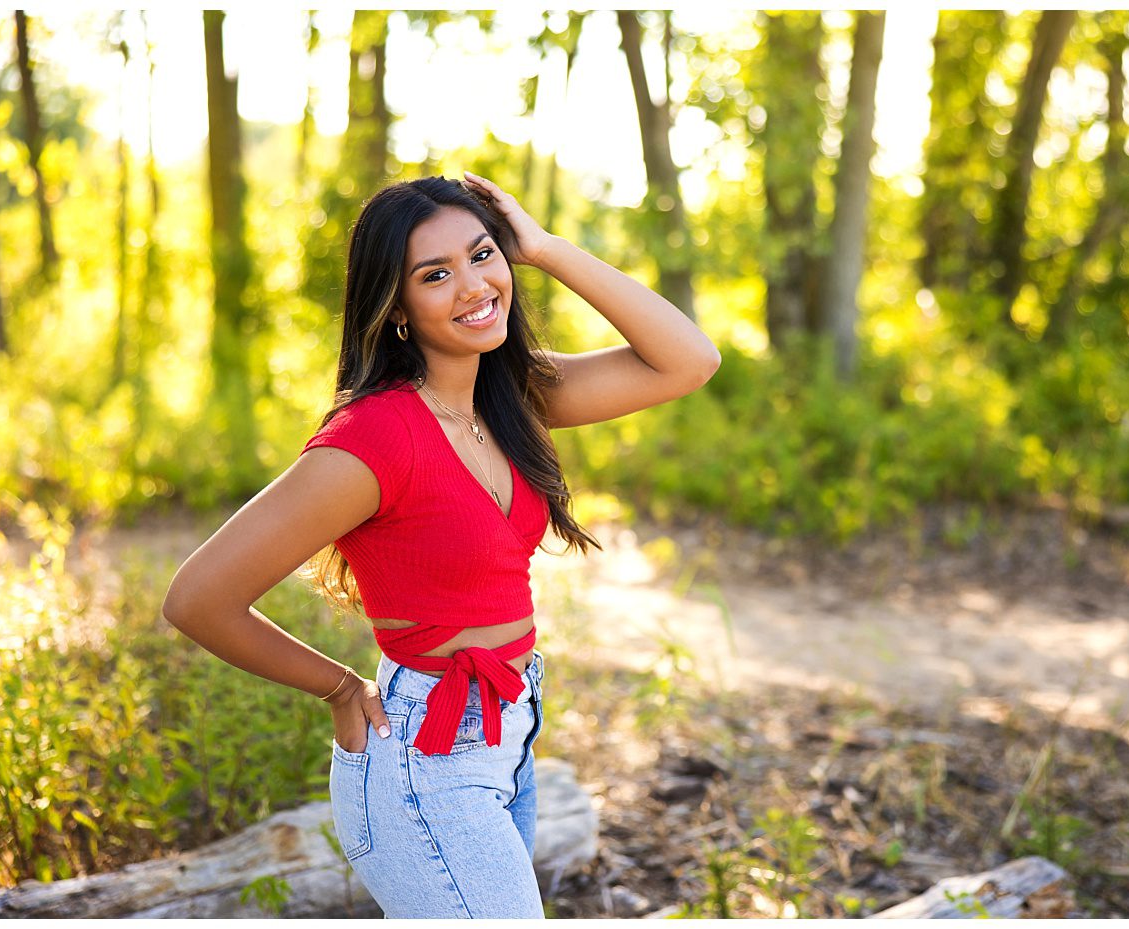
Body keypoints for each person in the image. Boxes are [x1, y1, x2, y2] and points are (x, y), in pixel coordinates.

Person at [161, 172, 720, 916]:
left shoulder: (509, 396)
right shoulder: (373, 439)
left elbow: (689, 360)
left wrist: (545, 248)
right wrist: (338, 687)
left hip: (509, 735)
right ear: (395, 307)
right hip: (425, 765)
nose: (474, 285)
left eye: (483, 255)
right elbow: (198, 599)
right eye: (435, 274)